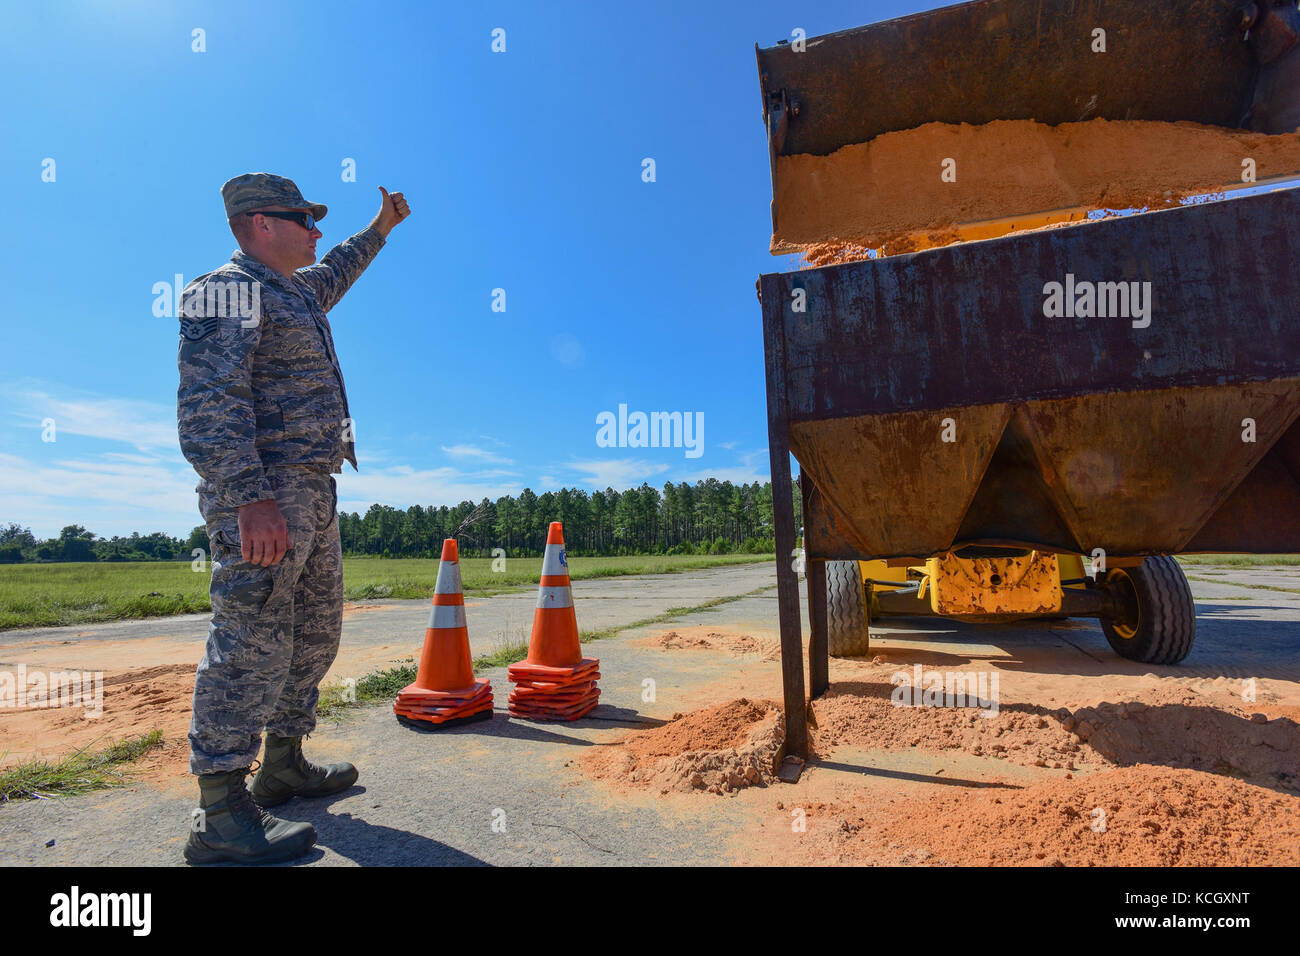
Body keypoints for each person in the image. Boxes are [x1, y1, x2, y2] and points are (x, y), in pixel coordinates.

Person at [176, 172, 410, 864]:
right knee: (250, 638)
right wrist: (249, 495)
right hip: (263, 493)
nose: (316, 230)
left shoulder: (297, 290)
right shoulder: (226, 289)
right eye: (305, 218)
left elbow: (339, 264)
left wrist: (380, 229)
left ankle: (282, 764)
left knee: (313, 631)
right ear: (261, 224)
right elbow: (210, 402)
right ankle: (219, 811)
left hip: (313, 489)